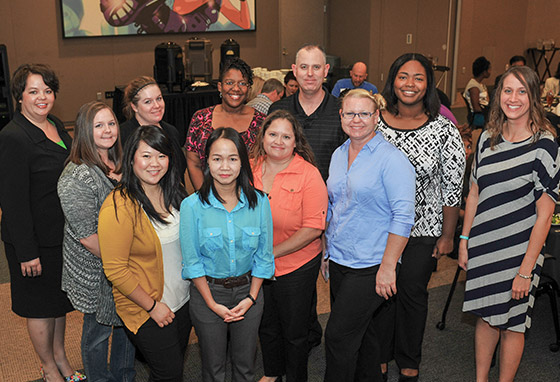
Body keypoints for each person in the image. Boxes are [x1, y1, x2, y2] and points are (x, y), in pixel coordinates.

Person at [459, 66, 560, 382]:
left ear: (533, 98)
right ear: (497, 94)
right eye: (507, 90)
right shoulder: (486, 139)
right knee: (486, 316)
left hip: (520, 252)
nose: (513, 98)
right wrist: (464, 240)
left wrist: (526, 270)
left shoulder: (545, 145)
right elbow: (474, 193)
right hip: (483, 246)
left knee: (513, 323)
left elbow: (545, 215)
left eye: (521, 91)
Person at [376, 53, 465, 381]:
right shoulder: (375, 122)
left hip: (423, 228)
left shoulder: (444, 130)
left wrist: (447, 236)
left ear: (428, 84)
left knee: (411, 292)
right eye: (402, 76)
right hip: (378, 227)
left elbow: (452, 188)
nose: (409, 84)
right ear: (392, 80)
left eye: (417, 78)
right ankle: (381, 356)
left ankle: (409, 361)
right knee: (381, 294)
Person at [324, 89, 416, 382]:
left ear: (376, 117)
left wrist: (388, 267)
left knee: (338, 337)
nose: (357, 120)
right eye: (350, 113)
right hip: (340, 260)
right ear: (341, 116)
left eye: (364, 113)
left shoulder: (393, 160)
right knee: (365, 338)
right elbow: (335, 206)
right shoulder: (339, 155)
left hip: (372, 265)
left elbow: (403, 217)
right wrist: (327, 252)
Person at [0, 64, 82, 382]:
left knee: (57, 303)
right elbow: (13, 201)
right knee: (38, 307)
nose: (42, 97)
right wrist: (26, 251)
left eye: (47, 90)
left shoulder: (57, 126)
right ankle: (48, 367)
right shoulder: (12, 137)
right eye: (33, 91)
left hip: (59, 236)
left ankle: (61, 358)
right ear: (19, 97)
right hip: (32, 240)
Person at [180, 127, 274, 382]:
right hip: (208, 294)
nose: (225, 166)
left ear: (242, 161)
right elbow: (192, 262)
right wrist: (212, 304)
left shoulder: (260, 202)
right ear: (207, 162)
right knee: (214, 368)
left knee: (245, 367)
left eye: (233, 158)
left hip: (249, 293)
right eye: (217, 158)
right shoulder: (191, 206)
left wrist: (252, 298)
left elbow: (264, 257)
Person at [98, 125, 191, 382]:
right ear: (131, 159)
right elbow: (115, 270)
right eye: (146, 156)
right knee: (169, 373)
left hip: (183, 300)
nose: (155, 163)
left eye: (161, 155)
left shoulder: (175, 192)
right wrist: (152, 307)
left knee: (168, 371)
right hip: (147, 307)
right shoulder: (118, 206)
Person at [269, 44, 345, 349]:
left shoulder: (341, 111)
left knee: (332, 279)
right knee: (296, 283)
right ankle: (306, 331)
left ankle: (335, 339)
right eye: (304, 67)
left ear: (326, 71)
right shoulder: (280, 111)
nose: (310, 74)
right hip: (287, 212)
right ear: (294, 71)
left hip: (333, 213)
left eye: (317, 67)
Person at [58, 101, 136, 382]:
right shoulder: (76, 175)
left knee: (127, 323)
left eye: (111, 123)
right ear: (84, 131)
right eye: (98, 125)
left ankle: (123, 376)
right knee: (98, 334)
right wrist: (125, 262)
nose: (108, 130)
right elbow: (87, 236)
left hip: (122, 263)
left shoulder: (122, 163)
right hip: (95, 271)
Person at [250, 110, 328, 382]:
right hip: (257, 264)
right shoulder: (248, 169)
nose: (279, 141)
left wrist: (271, 253)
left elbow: (313, 228)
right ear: (263, 136)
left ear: (296, 142)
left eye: (286, 136)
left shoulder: (308, 174)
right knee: (266, 323)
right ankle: (273, 373)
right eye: (273, 134)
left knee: (295, 332)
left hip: (296, 265)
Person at [186, 57, 266, 190]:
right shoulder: (201, 119)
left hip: (249, 197)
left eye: (242, 83)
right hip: (208, 198)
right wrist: (205, 198)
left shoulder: (261, 122)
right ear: (220, 86)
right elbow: (193, 162)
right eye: (230, 82)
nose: (236, 88)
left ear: (248, 89)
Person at [120, 76, 187, 180]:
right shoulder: (123, 135)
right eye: (148, 102)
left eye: (159, 99)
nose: (156, 105)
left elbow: (180, 172)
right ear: (134, 106)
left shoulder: (172, 131)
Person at [463, 56, 491, 128]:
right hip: (478, 116)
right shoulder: (474, 87)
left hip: (483, 113)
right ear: (484, 72)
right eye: (489, 69)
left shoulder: (478, 84)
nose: (490, 71)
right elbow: (476, 108)